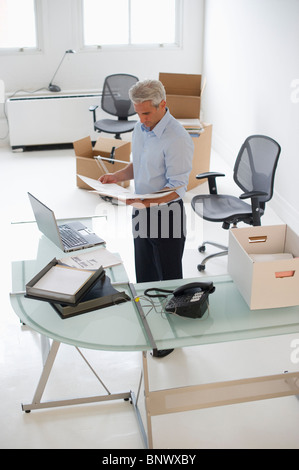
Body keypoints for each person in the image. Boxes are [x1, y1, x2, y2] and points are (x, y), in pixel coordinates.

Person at [99, 78, 193, 287]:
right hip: (141, 210)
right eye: (138, 113)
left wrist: (143, 202)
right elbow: (140, 165)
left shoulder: (177, 139)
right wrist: (118, 176)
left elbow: (178, 188)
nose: (141, 119)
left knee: (169, 281)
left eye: (146, 113)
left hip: (166, 215)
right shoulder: (140, 129)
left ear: (162, 104)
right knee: (144, 276)